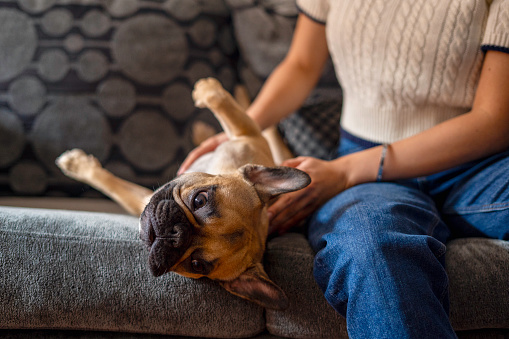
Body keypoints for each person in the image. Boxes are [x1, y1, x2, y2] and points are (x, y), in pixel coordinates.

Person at [179, 1, 509, 337]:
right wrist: (239, 132)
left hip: (480, 165)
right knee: (370, 247)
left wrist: (345, 172)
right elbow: (302, 65)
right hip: (367, 170)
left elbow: (493, 120)